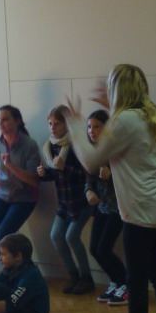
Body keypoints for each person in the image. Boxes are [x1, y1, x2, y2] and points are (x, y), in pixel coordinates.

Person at [66, 64, 156, 313]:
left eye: (110, 85)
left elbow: (91, 159)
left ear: (118, 89)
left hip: (141, 212)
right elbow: (122, 140)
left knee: (137, 282)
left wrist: (74, 124)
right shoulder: (148, 115)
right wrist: (110, 108)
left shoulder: (125, 120)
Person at [37, 105, 95, 294]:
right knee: (56, 236)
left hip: (81, 202)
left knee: (71, 236)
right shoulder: (49, 147)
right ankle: (73, 275)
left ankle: (87, 278)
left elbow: (87, 174)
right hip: (64, 203)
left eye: (57, 124)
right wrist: (43, 174)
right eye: (50, 124)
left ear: (67, 125)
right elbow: (54, 174)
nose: (52, 128)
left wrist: (64, 167)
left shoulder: (77, 144)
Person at [83, 110, 128, 305]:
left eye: (97, 127)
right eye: (89, 127)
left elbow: (129, 180)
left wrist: (112, 177)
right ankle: (116, 282)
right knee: (95, 249)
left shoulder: (116, 151)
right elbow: (88, 180)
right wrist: (88, 192)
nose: (91, 131)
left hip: (118, 210)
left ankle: (126, 285)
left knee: (104, 249)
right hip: (101, 209)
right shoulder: (92, 152)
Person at [0, 105, 41, 251]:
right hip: (2, 195)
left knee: (1, 236)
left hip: (24, 197)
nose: (0, 124)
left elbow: (34, 180)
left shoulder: (29, 145)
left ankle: (21, 263)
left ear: (17, 121)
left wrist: (10, 165)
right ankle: (8, 263)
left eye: (5, 119)